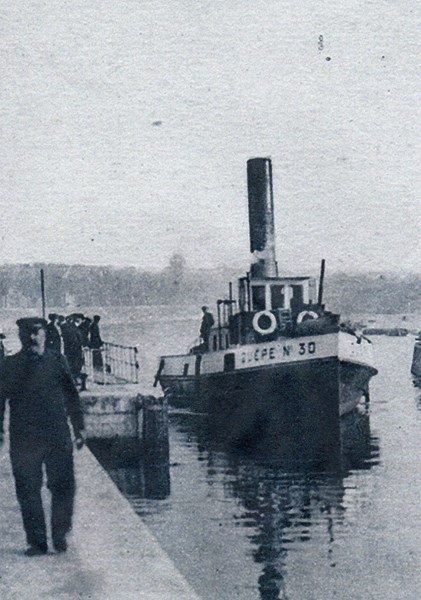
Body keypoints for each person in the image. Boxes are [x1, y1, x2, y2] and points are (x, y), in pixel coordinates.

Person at [0, 317, 85, 556]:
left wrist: (79, 427)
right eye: (26, 333)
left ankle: (60, 535)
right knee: (27, 488)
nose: (32, 338)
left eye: (36, 333)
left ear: (45, 335)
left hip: (57, 434)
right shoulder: (9, 365)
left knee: (63, 485)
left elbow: (71, 395)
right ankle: (37, 542)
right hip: (24, 438)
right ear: (19, 336)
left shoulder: (57, 361)